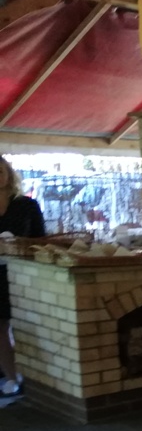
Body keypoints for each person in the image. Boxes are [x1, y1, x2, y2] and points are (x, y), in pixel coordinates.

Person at [0, 155, 44, 399]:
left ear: (9, 174)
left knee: (27, 325)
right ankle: (11, 378)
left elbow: (41, 240)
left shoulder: (27, 205)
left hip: (24, 274)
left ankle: (33, 377)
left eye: (0, 171)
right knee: (0, 328)